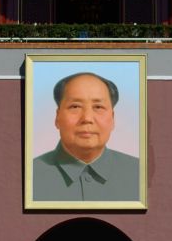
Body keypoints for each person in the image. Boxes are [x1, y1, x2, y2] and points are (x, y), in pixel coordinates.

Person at [32, 72, 141, 202]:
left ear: (112, 118)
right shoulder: (29, 175)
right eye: (75, 106)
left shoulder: (140, 174)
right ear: (57, 117)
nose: (87, 118)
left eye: (98, 107)